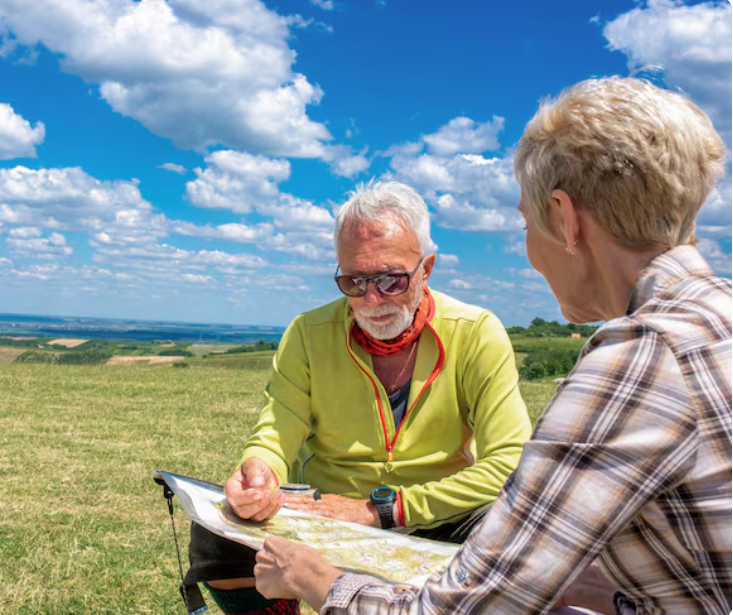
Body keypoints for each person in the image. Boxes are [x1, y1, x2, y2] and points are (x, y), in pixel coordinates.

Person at [253, 76, 732, 615]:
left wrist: (318, 581)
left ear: (565, 218)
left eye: (527, 224)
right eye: (355, 283)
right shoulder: (716, 317)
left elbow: (460, 610)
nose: (529, 252)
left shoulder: (637, 357)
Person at [186, 180, 533, 615]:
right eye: (353, 280)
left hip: (438, 518)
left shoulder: (477, 332)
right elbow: (277, 431)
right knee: (219, 531)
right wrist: (260, 471)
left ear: (427, 267)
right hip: (324, 515)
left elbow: (512, 465)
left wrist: (381, 512)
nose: (371, 299)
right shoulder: (307, 333)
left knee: (521, 534)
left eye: (390, 279)